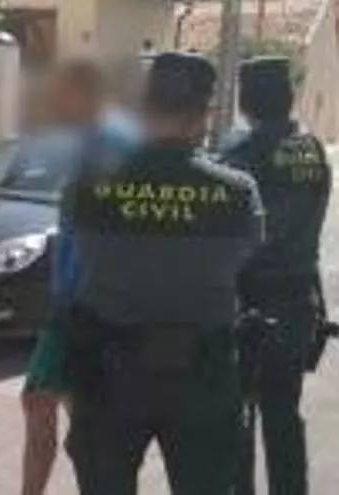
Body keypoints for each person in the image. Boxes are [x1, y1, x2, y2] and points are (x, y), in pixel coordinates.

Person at [62, 52, 265, 495]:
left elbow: (78, 254)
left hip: (108, 376)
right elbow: (245, 259)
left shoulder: (89, 184)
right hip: (203, 380)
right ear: (203, 115)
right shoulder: (238, 192)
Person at [19, 58, 141, 495]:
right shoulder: (94, 139)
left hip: (83, 304)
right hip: (76, 302)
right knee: (69, 408)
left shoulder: (112, 142)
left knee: (43, 401)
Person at [222, 56, 332, 495]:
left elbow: (233, 237)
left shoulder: (242, 156)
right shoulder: (313, 150)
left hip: (250, 304)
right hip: (299, 300)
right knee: (284, 413)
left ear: (246, 102)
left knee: (239, 417)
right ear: (289, 97)